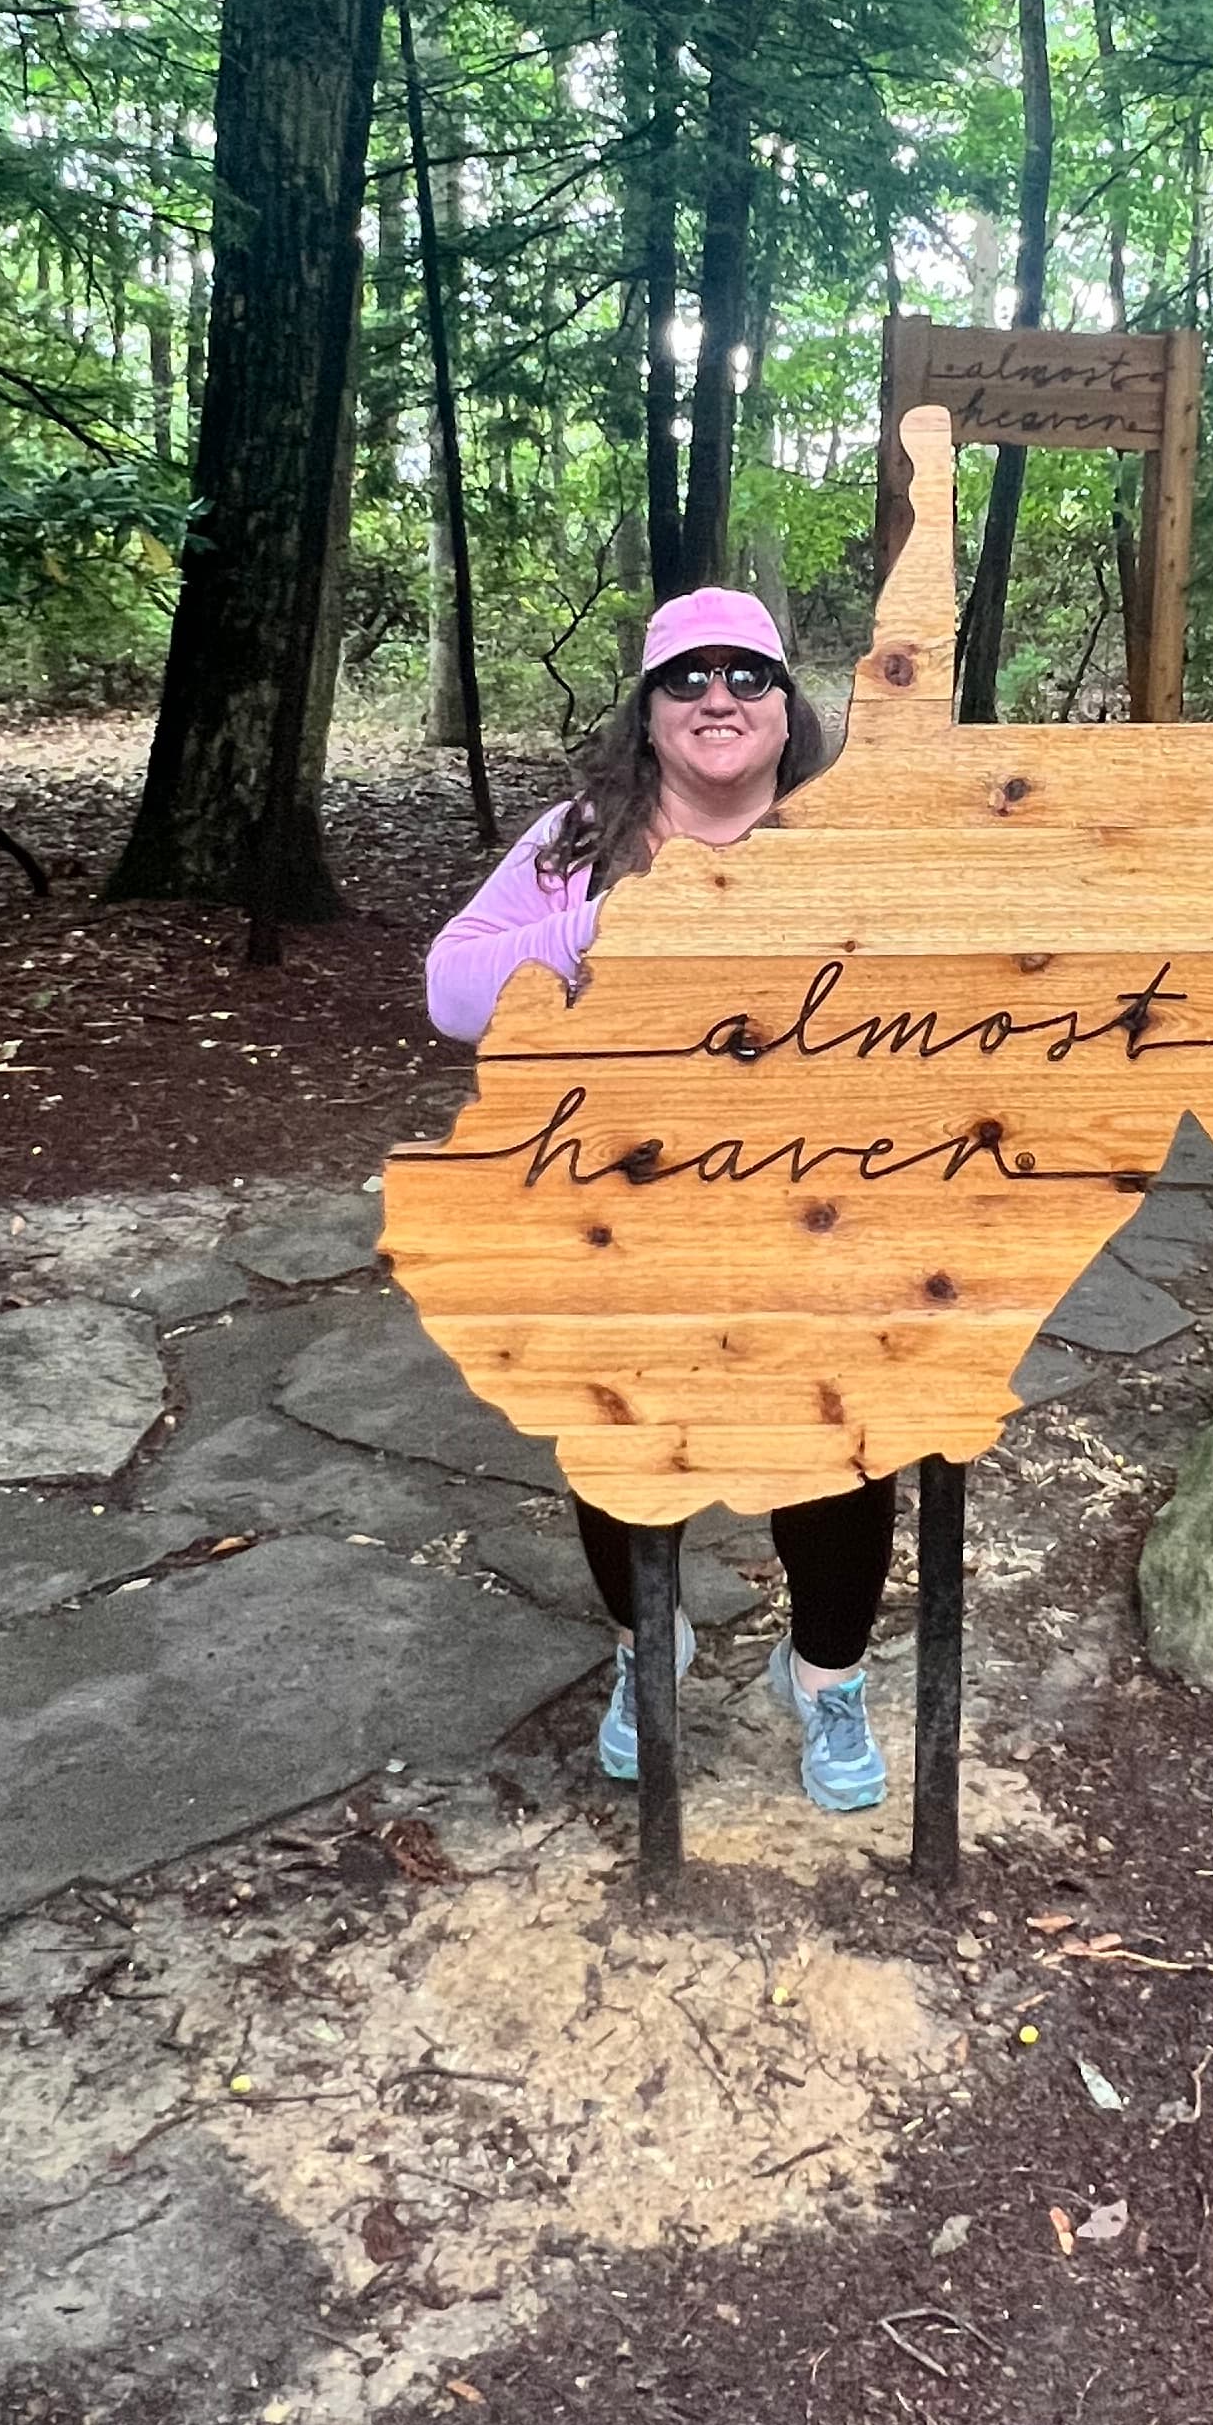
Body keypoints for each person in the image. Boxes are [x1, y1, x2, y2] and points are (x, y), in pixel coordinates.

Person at [423, 586, 898, 1811]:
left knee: (844, 1439)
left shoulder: (852, 840)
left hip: (821, 1216)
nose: (717, 698)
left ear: (788, 708)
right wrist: (608, 923)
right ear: (647, 713)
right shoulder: (579, 840)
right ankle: (650, 1645)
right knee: (617, 1433)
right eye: (686, 677)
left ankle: (827, 1677)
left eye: (748, 674)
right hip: (622, 1218)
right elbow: (452, 993)